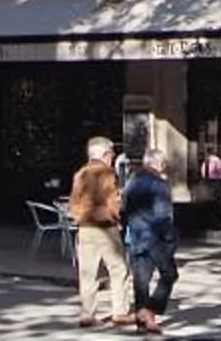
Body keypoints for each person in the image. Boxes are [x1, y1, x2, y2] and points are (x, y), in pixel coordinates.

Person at [67, 136, 133, 328]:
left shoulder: (81, 173)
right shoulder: (107, 173)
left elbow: (73, 201)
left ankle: (88, 314)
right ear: (105, 154)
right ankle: (120, 311)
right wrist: (116, 218)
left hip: (85, 227)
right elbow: (114, 201)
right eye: (111, 154)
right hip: (105, 227)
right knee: (118, 269)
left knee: (87, 273)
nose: (112, 157)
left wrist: (79, 217)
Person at [122, 147, 180, 333]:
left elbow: (124, 209)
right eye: (164, 164)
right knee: (169, 274)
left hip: (135, 236)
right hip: (154, 238)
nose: (165, 167)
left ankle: (143, 323)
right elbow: (163, 216)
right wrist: (171, 239)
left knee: (141, 281)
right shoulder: (159, 184)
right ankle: (150, 310)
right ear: (159, 164)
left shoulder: (131, 181)